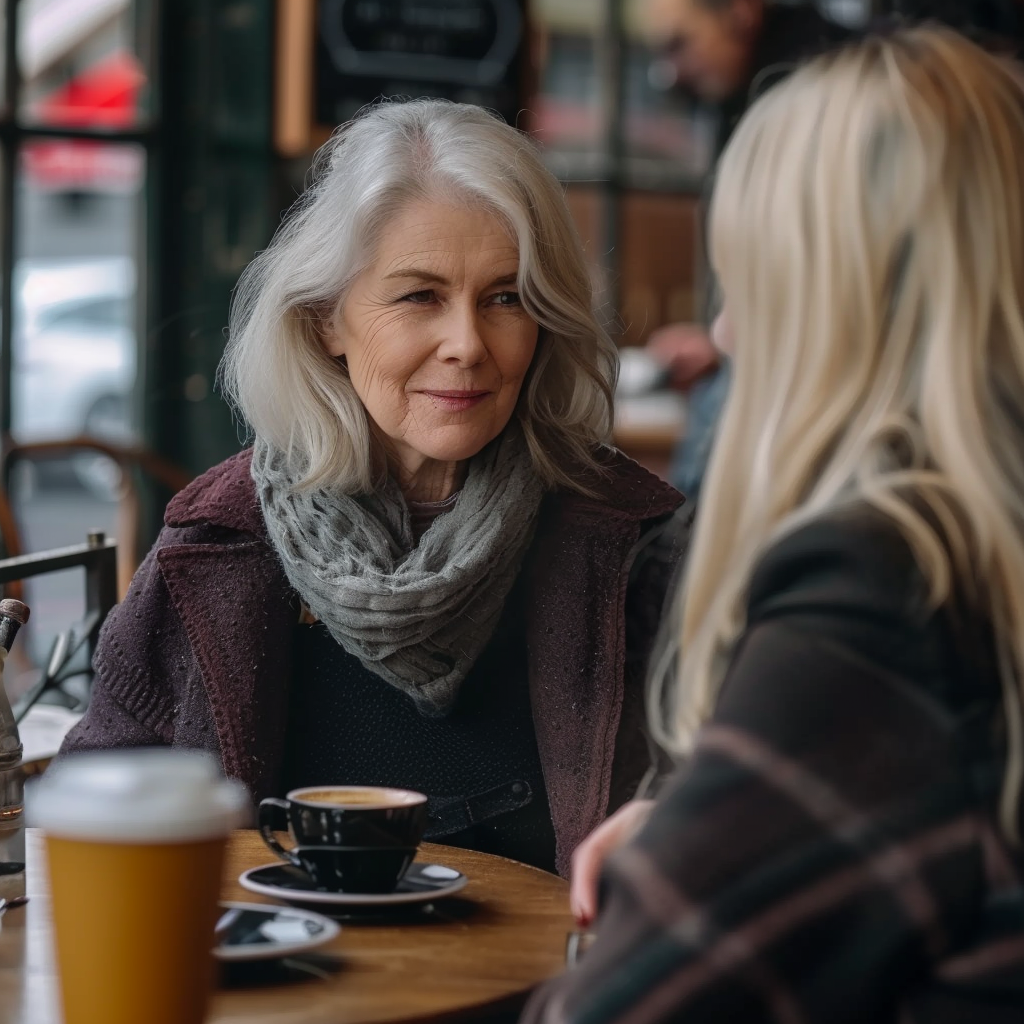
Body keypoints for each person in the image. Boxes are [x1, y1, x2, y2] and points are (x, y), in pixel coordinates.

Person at [524, 26, 1024, 1021]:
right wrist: (716, 835)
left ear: (843, 303)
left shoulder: (892, 589)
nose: (724, 332)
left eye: (756, 282)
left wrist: (679, 885)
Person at [60, 99, 687, 877]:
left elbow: (738, 823)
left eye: (505, 297)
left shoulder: (639, 547)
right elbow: (92, 819)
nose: (466, 344)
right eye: (419, 296)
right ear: (327, 320)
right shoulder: (217, 543)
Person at [643, 0, 849, 498]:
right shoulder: (747, 97)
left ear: (740, 12)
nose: (670, 71)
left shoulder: (815, 99)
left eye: (680, 42)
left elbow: (819, 273)